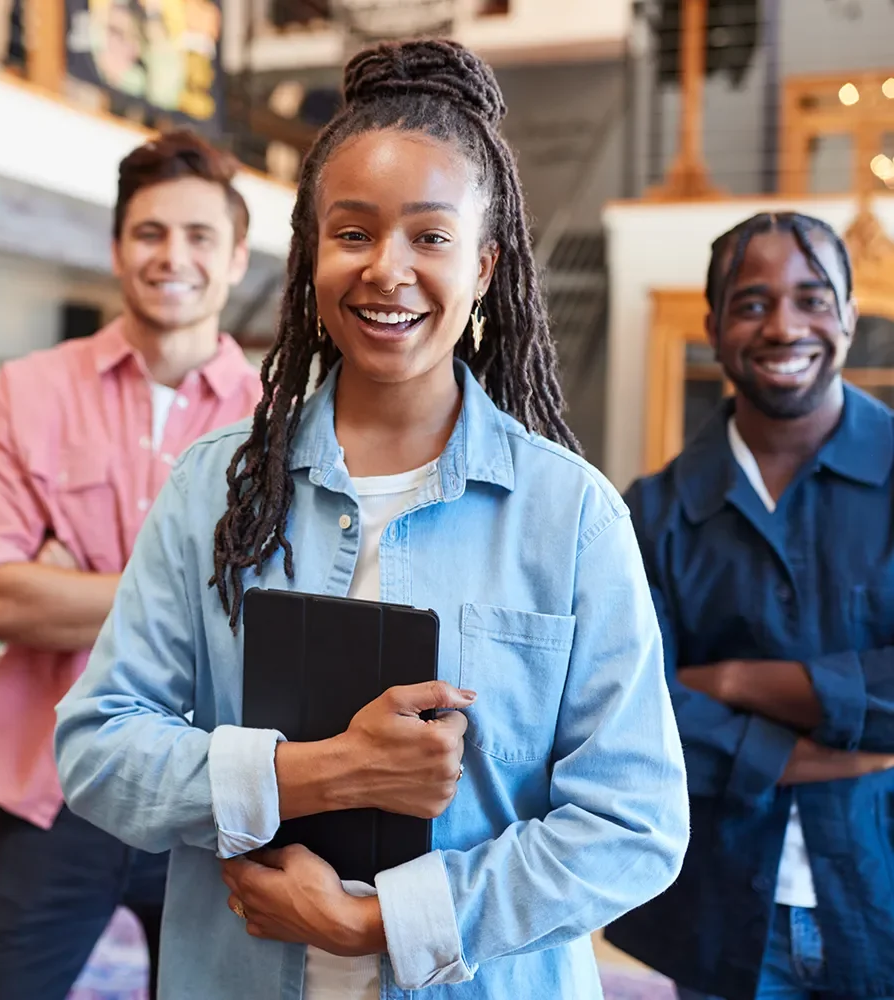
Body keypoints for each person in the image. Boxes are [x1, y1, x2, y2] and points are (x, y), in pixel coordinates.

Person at [55, 40, 689, 1000]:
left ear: (484, 267)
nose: (387, 270)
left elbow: (635, 825)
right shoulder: (213, 488)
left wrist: (378, 923)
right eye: (352, 232)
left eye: (430, 237)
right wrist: (328, 772)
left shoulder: (571, 516)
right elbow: (98, 746)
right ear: (312, 250)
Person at [0, 130, 261, 1000]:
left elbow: (280, 613)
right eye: (150, 232)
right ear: (119, 247)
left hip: (217, 790)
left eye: (200, 236)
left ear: (236, 257)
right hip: (59, 781)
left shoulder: (283, 419)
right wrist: (192, 592)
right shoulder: (28, 391)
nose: (173, 256)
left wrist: (70, 586)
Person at [605, 212, 894, 1000]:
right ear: (714, 327)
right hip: (724, 913)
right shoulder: (653, 512)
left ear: (849, 314)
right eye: (753, 302)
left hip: (882, 899)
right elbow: (641, 717)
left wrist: (731, 681)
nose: (785, 327)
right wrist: (836, 751)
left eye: (811, 299)